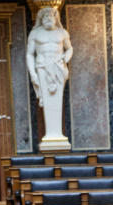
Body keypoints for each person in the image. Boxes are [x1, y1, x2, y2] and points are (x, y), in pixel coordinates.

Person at [26, 7, 73, 145]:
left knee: (57, 98)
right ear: (40, 19)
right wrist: (33, 74)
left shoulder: (62, 33)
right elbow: (29, 54)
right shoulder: (35, 34)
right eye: (45, 16)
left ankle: (57, 135)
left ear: (55, 18)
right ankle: (51, 135)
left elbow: (69, 48)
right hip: (42, 67)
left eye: (50, 16)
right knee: (47, 99)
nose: (48, 18)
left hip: (58, 67)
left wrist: (66, 58)